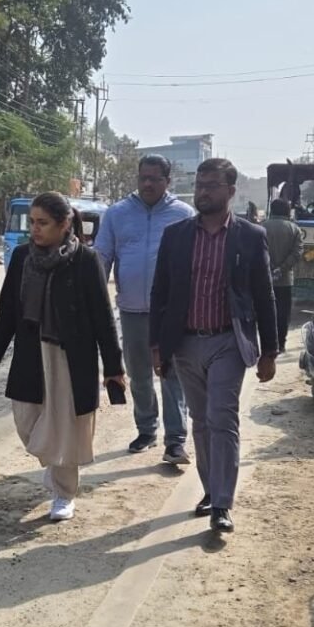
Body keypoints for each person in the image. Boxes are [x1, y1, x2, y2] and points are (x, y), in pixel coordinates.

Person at [0, 192, 125, 522]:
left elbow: (103, 317)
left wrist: (113, 367)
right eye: (32, 222)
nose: (35, 229)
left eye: (42, 223)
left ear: (64, 224)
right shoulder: (22, 257)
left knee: (65, 427)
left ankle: (63, 493)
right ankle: (54, 465)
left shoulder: (86, 261)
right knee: (26, 420)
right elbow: (8, 311)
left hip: (71, 357)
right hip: (31, 353)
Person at [149, 157, 278, 536]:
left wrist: (270, 351)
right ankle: (211, 488)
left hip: (228, 340)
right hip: (186, 343)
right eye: (199, 185)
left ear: (230, 191)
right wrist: (156, 344)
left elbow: (264, 295)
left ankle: (222, 503)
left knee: (222, 418)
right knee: (201, 421)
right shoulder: (176, 236)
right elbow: (160, 293)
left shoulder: (249, 236)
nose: (203, 192)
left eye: (211, 186)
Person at [95, 155, 192, 462]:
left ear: (168, 181)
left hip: (171, 314)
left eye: (155, 179)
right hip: (132, 310)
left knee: (172, 374)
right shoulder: (117, 214)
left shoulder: (183, 215)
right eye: (143, 178)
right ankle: (147, 429)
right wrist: (94, 299)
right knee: (138, 375)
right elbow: (102, 258)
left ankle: (175, 440)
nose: (148, 184)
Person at [263, 198, 305, 353]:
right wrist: (281, 269)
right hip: (285, 280)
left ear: (272, 210)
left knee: (264, 311)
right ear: (288, 211)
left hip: (264, 278)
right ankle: (280, 344)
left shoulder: (262, 227)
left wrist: (269, 267)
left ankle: (266, 345)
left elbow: (258, 251)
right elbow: (297, 253)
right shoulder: (295, 229)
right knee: (283, 313)